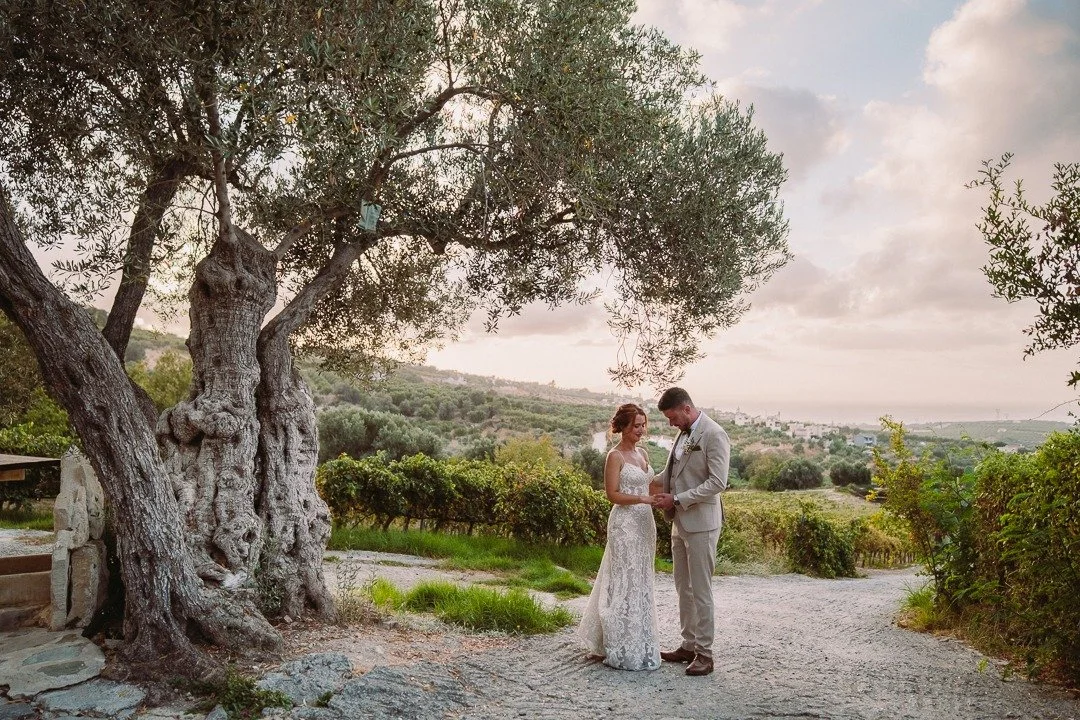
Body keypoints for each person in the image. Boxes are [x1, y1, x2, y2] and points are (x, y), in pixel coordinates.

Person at [651, 387, 730, 677]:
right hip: (679, 523)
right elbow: (672, 473)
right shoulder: (683, 433)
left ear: (686, 408)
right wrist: (639, 478)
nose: (671, 424)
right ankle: (688, 644)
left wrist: (678, 499)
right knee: (682, 587)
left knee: (701, 589)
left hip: (702, 523)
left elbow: (717, 482)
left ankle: (705, 654)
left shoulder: (714, 434)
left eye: (673, 417)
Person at [578, 403, 661, 671]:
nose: (641, 430)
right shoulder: (615, 456)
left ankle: (640, 640)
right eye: (636, 425)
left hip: (645, 523)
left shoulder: (644, 453)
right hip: (624, 525)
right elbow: (612, 494)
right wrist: (642, 498)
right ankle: (617, 642)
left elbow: (650, 484)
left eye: (642, 425)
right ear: (623, 427)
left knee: (641, 579)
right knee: (624, 579)